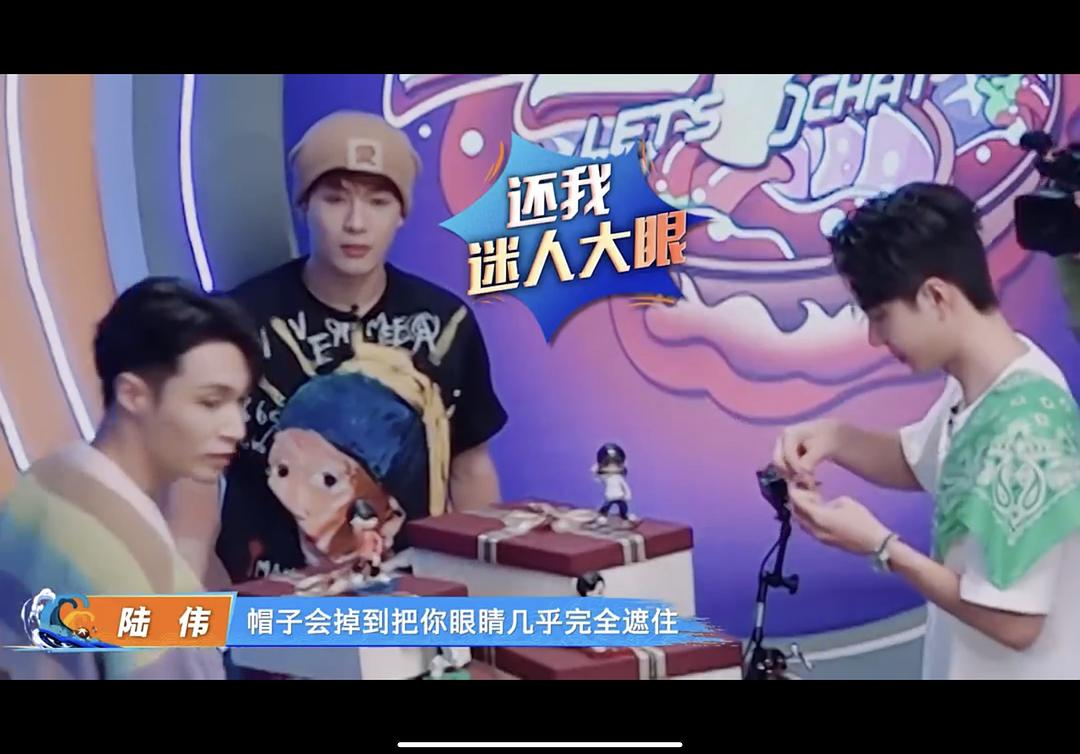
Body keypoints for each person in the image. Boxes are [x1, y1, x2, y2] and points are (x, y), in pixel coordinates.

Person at [774, 183, 1080, 680]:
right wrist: (836, 437)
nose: (875, 337)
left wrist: (881, 547)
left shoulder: (1026, 423)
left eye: (881, 316)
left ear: (936, 296)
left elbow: (1016, 621)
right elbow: (923, 460)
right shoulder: (983, 384)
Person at [213, 110, 508, 584]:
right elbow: (193, 476)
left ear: (401, 214)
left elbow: (470, 467)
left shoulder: (445, 322)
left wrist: (490, 588)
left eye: (378, 202)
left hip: (410, 600)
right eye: (334, 199)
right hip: (267, 601)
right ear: (304, 205)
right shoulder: (238, 321)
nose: (356, 222)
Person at [0, 277, 260, 680]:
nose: (236, 428)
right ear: (132, 394)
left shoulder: (44, 483)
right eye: (211, 402)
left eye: (240, 402)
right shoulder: (147, 583)